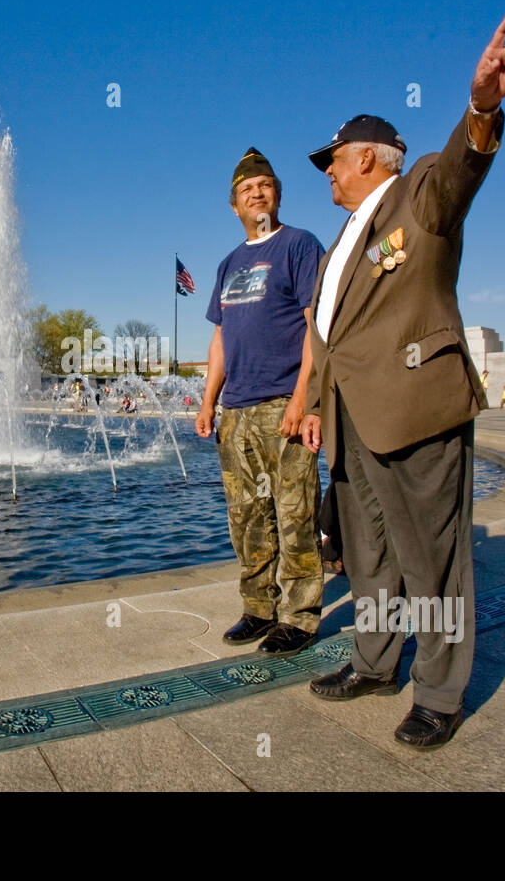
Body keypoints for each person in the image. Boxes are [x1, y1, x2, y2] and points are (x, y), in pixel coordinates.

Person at [298, 6, 505, 749]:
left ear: (368, 157)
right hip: (351, 424)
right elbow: (329, 333)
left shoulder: (417, 194)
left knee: (432, 559)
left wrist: (480, 107)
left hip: (414, 408)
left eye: (333, 158)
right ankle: (373, 661)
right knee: (368, 555)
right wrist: (311, 405)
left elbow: (461, 169)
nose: (328, 171)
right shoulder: (342, 238)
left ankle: (438, 690)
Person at [196, 146, 326, 654]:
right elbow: (221, 338)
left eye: (266, 186)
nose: (258, 193)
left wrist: (303, 401)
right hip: (237, 411)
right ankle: (258, 607)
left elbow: (317, 326)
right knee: (246, 517)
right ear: (234, 205)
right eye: (248, 189)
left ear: (278, 195)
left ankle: (299, 617)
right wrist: (209, 402)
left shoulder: (299, 246)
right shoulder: (229, 263)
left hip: (282, 405)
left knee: (295, 513)